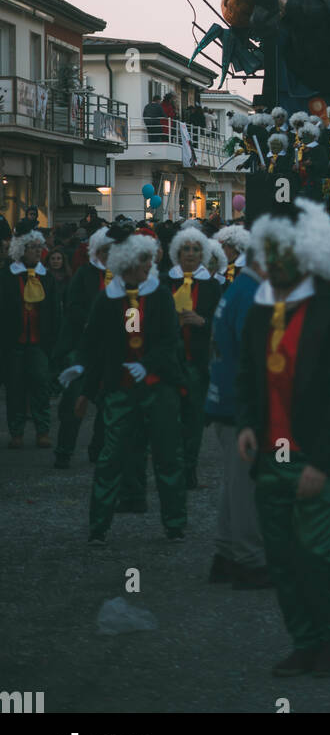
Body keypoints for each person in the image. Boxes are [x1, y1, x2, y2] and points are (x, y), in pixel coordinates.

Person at [236, 205, 330, 679]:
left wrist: (324, 463)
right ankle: (304, 642)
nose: (272, 261)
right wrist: (248, 422)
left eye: (282, 252)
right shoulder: (261, 310)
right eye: (268, 252)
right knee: (282, 559)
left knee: (313, 554)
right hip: (272, 455)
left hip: (316, 460)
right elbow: (248, 374)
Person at [76, 229, 186, 544]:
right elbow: (93, 344)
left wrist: (148, 364)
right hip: (120, 390)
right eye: (144, 259)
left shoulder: (160, 295)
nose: (150, 264)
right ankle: (98, 527)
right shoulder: (107, 298)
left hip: (158, 388)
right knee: (110, 458)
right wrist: (83, 379)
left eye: (150, 259)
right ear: (128, 263)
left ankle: (175, 524)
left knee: (167, 455)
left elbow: (170, 342)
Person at [205, 232, 271, 590]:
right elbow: (256, 356)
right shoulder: (252, 295)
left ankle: (226, 553)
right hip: (239, 402)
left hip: (226, 398)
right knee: (246, 485)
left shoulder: (238, 289)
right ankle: (248, 559)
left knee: (234, 483)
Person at [167, 226, 222, 489]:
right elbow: (138, 318)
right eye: (186, 249)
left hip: (199, 364)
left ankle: (189, 467)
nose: (190, 254)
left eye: (195, 250)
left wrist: (203, 321)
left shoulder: (212, 287)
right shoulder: (164, 282)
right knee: (170, 420)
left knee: (194, 421)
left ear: (203, 255)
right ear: (177, 253)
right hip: (168, 363)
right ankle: (172, 467)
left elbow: (222, 323)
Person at [53, 227, 113, 470]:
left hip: (113, 349)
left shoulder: (122, 275)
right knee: (75, 400)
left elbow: (133, 307)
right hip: (83, 347)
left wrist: (133, 334)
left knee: (108, 402)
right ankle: (64, 451)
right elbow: (73, 306)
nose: (108, 255)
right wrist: (90, 321)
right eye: (104, 250)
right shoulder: (84, 274)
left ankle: (98, 449)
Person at [1, 230, 59, 448]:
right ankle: (16, 433)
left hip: (38, 342)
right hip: (13, 342)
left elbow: (55, 311)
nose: (38, 250)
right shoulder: (7, 276)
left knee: (40, 387)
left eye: (39, 246)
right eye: (32, 247)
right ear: (21, 250)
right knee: (15, 389)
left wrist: (53, 340)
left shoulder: (46, 277)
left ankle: (42, 431)